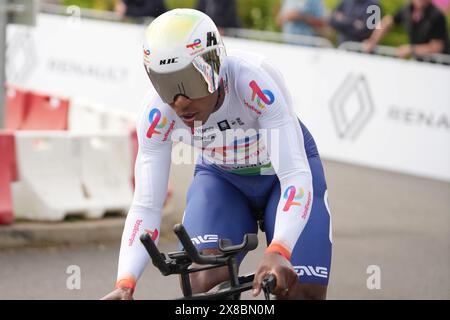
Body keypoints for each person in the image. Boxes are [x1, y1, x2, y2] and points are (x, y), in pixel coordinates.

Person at [102, 8, 332, 300]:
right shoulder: (156, 114)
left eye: (189, 81)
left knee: (301, 291)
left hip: (281, 174)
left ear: (215, 65)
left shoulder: (253, 80)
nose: (180, 101)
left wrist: (279, 249)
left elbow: (294, 175)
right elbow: (146, 206)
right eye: (166, 85)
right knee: (201, 286)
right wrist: (125, 283)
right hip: (223, 178)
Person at [363, 0, 450, 58]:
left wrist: (411, 49)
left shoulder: (437, 15)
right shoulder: (407, 9)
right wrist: (372, 41)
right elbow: (387, 22)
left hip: (439, 67)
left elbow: (437, 47)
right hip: (420, 63)